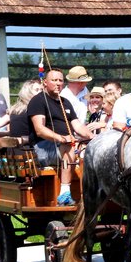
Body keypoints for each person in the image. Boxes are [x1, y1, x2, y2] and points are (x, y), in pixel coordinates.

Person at [26, 68, 93, 205]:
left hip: (64, 145)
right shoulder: (38, 101)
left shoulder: (65, 102)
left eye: (60, 80)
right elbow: (40, 129)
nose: (58, 83)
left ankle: (90, 192)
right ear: (45, 82)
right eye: (54, 80)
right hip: (42, 148)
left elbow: (78, 127)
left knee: (91, 149)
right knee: (67, 146)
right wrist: (62, 138)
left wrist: (94, 138)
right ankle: (64, 193)